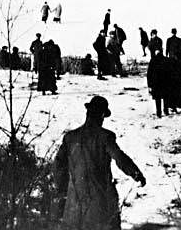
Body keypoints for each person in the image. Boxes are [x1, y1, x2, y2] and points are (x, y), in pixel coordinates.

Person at [54, 96, 146, 230]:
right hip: (100, 199)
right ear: (102, 115)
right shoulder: (105, 136)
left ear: (88, 113)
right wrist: (136, 173)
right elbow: (119, 157)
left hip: (74, 203)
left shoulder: (70, 137)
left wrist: (62, 189)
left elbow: (58, 165)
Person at [147, 50, 172, 117]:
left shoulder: (153, 60)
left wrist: (149, 85)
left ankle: (159, 112)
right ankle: (166, 110)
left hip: (156, 83)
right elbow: (170, 72)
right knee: (166, 97)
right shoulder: (167, 60)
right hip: (165, 82)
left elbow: (149, 74)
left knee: (157, 98)